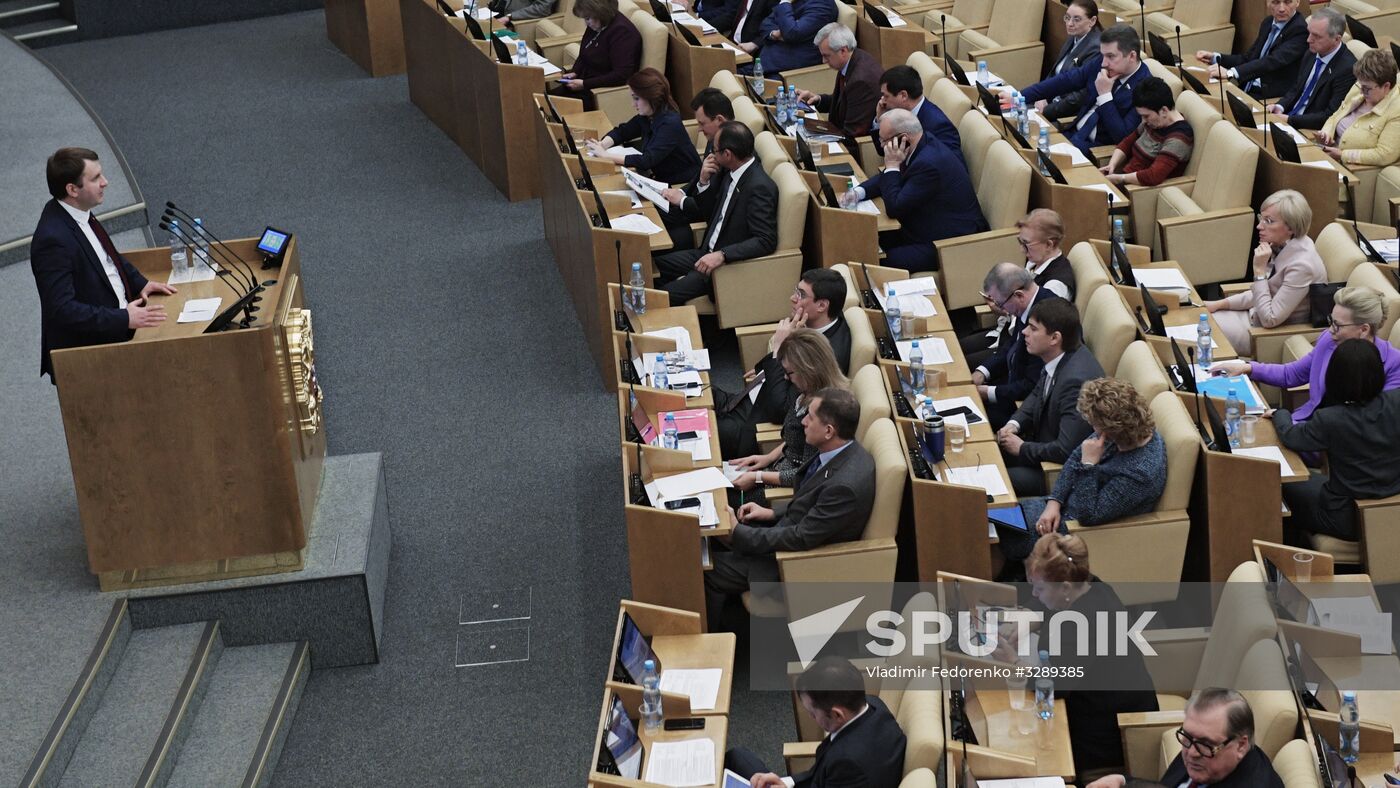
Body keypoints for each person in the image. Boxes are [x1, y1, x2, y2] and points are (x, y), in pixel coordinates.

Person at [705, 388, 876, 630]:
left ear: (829, 431)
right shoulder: (839, 451)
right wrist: (771, 513)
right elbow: (809, 501)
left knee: (705, 570)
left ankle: (709, 644)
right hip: (785, 529)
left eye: (811, 417)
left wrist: (739, 534)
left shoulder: (844, 486)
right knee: (711, 531)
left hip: (794, 565)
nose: (803, 421)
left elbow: (802, 537)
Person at [1008, 534, 1159, 780]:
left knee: (1023, 747)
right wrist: (1031, 617)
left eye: (1039, 588)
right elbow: (1049, 605)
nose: (1033, 594)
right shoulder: (1093, 585)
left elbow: (1052, 686)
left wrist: (1012, 661)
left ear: (1065, 587)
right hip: (1099, 707)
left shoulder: (1080, 626)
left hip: (1111, 733)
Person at [31, 147, 177, 382]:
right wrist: (124, 318)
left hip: (117, 333)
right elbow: (62, 310)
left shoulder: (78, 212)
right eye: (96, 178)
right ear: (72, 189)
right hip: (91, 359)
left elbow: (107, 258)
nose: (105, 182)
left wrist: (140, 282)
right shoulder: (52, 240)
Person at [1002, 378, 1166, 561]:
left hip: (1077, 531)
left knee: (1001, 537)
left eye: (1095, 424)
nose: (1092, 428)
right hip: (1056, 509)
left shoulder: (1140, 473)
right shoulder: (1119, 434)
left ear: (1113, 426)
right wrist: (1054, 502)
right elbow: (1074, 460)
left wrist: (1089, 465)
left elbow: (1088, 515)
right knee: (993, 519)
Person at [1211, 286, 1400, 422]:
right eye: (1331, 321)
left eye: (1338, 325)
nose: (1330, 330)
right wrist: (1247, 368)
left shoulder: (1394, 365)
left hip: (1343, 445)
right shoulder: (1329, 339)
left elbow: (1371, 422)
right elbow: (1291, 374)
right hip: (1307, 426)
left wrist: (1286, 425)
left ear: (1364, 329)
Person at [716, 269, 852, 457]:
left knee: (698, 428)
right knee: (689, 392)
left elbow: (781, 409)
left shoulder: (824, 355)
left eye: (801, 295)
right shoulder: (820, 322)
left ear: (822, 305)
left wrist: (780, 348)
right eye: (796, 291)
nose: (792, 298)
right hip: (743, 398)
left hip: (750, 423)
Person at [1275, 338, 1400, 542]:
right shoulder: (1396, 401)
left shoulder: (1331, 419)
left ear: (1334, 377)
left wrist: (1280, 413)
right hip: (1392, 508)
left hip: (1344, 518)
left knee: (1275, 486)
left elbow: (1291, 437)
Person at [726, 656, 906, 787]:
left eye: (813, 713)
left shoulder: (848, 764)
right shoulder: (875, 706)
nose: (811, 717)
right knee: (737, 756)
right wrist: (786, 783)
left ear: (837, 714)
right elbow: (819, 775)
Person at [845, 108, 986, 272]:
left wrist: (892, 165)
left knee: (878, 262)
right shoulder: (920, 144)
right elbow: (889, 177)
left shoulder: (928, 164)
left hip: (950, 241)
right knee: (862, 240)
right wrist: (858, 192)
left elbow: (895, 208)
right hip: (923, 224)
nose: (882, 146)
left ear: (903, 138)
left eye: (884, 141)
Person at [654, 121, 778, 304]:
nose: (712, 153)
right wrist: (703, 181)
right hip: (702, 253)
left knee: (660, 296)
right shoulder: (730, 170)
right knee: (650, 265)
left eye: (715, 149)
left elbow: (765, 240)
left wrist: (722, 255)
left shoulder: (759, 187)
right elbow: (709, 212)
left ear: (727, 154)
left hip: (719, 269)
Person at [727, 328, 849, 501]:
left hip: (789, 489)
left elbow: (807, 473)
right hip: (779, 467)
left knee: (727, 499)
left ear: (809, 370)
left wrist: (758, 477)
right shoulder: (805, 393)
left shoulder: (823, 412)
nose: (785, 378)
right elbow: (794, 441)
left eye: (789, 373)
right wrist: (767, 458)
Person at [997, 299, 1104, 496]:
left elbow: (1065, 449)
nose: (1024, 332)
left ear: (1054, 338)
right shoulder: (1060, 356)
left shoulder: (1076, 382)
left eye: (1033, 328)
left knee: (996, 482)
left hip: (1056, 472)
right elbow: (1038, 393)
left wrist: (1022, 448)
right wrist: (1014, 424)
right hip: (1040, 446)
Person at [1202, 189, 1324, 353]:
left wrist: (1259, 271)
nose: (1259, 226)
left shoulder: (1303, 266)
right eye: (1262, 218)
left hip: (1268, 335)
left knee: (1199, 331)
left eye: (1269, 221)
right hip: (1252, 315)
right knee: (1196, 317)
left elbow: (1270, 319)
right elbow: (1265, 292)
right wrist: (1219, 304)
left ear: (1291, 228)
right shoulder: (1282, 244)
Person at [1088, 689, 1285, 788]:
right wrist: (1123, 782)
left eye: (1205, 744)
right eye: (1187, 736)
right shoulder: (1205, 752)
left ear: (1241, 745)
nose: (1190, 753)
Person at [960, 209, 1074, 367]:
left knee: (962, 364)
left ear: (1049, 244)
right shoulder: (1034, 262)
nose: (1022, 250)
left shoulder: (1056, 286)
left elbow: (1039, 331)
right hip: (1004, 334)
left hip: (1020, 350)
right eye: (1020, 242)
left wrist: (1005, 308)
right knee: (957, 347)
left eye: (1026, 244)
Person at [1022, 25, 1152, 156]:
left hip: (1095, 150)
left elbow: (1122, 137)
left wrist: (1105, 96)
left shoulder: (1146, 88)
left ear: (1132, 56)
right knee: (1022, 141)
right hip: (1073, 133)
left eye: (1111, 56)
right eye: (1103, 55)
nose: (1103, 63)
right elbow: (1065, 81)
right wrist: (1020, 97)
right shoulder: (1102, 63)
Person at [972, 263, 1060, 427]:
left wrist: (989, 392)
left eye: (1000, 304)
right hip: (1013, 385)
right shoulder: (1028, 306)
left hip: (1026, 406)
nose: (1000, 309)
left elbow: (1033, 384)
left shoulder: (1046, 320)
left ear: (1019, 295)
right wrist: (983, 372)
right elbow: (1011, 346)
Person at [587, 69, 702, 185]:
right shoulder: (648, 116)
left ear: (651, 97)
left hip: (683, 184)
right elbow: (622, 132)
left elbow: (647, 161)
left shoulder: (670, 123)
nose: (633, 104)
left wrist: (606, 155)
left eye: (636, 98)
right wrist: (602, 145)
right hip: (661, 179)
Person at [657, 88, 734, 249]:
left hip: (702, 220)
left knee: (657, 240)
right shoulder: (714, 138)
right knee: (653, 213)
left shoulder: (732, 154)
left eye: (702, 123)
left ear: (719, 120)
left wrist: (683, 201)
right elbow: (700, 175)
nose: (699, 129)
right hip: (693, 202)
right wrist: (682, 192)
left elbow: (716, 204)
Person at [1266, 8, 1357, 131]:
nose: (1308, 39)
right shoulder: (1312, 52)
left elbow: (1330, 116)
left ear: (1336, 39)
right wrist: (1280, 106)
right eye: (1309, 33)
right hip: (1289, 117)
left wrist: (1289, 120)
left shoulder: (1347, 69)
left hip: (1309, 129)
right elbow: (1297, 88)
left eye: (1317, 36)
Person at [1196, 0, 1307, 100]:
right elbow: (1248, 58)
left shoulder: (1300, 30)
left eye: (1287, 2)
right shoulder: (1268, 22)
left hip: (1270, 96)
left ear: (1297, 2)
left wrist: (1231, 73)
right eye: (1275, 2)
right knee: (1202, 93)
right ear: (1267, 2)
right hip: (1247, 86)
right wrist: (1216, 58)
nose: (1282, 8)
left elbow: (1271, 61)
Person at [1100, 77, 1193, 187]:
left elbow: (1153, 176)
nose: (1143, 121)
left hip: (1136, 189)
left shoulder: (1179, 138)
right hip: (1124, 178)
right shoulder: (1154, 122)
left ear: (1163, 111)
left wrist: (1120, 178)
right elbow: (1127, 142)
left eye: (1146, 116)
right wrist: (1112, 164)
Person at [791, 24, 882, 137]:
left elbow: (852, 134)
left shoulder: (860, 81)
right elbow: (844, 102)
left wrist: (817, 136)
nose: (823, 61)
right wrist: (818, 99)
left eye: (826, 56)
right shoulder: (852, 59)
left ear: (843, 51)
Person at [551, 0, 642, 109]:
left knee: (549, 105)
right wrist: (575, 72)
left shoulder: (622, 32)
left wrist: (585, 84)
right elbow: (585, 53)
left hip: (598, 93)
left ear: (600, 13)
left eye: (588, 18)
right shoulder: (598, 24)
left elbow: (621, 75)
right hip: (584, 83)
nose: (586, 23)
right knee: (542, 100)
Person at [1318, 49, 1400, 167]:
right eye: (1360, 85)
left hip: (1349, 168)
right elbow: (1335, 116)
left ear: (1386, 86)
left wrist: (1343, 155)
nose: (1361, 91)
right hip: (1327, 156)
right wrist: (1326, 133)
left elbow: (1384, 155)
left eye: (1366, 88)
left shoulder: (1396, 110)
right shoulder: (1360, 88)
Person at [871, 65, 963, 164]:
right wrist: (880, 119)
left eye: (886, 96)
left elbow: (952, 165)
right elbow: (882, 151)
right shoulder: (896, 114)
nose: (882, 101)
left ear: (903, 95)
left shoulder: (939, 126)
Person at [1041, 0, 1103, 121]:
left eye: (1077, 19)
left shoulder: (1097, 49)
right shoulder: (1075, 36)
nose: (1069, 23)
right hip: (1051, 102)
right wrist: (1041, 96)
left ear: (1092, 21)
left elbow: (1079, 97)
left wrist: (1046, 110)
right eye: (1067, 18)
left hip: (1067, 115)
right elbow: (1054, 72)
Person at [741, 0, 838, 74]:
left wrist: (785, 2)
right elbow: (766, 24)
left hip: (787, 72)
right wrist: (775, 34)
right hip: (764, 63)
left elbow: (792, 33)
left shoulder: (823, 6)